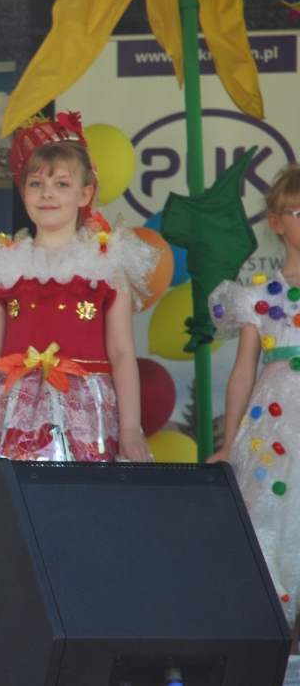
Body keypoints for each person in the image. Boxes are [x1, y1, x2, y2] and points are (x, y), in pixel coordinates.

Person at [0, 113, 155, 481]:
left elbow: (121, 352)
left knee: (83, 500)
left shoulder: (106, 265)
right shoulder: (4, 265)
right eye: (36, 183)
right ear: (23, 192)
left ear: (85, 194)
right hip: (14, 413)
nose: (47, 193)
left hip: (88, 415)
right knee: (21, 500)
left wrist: (130, 429)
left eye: (61, 184)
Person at [208, 165, 300, 621]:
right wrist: (228, 444)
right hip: (275, 425)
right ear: (277, 221)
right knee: (271, 524)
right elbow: (244, 370)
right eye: (299, 212)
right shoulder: (258, 296)